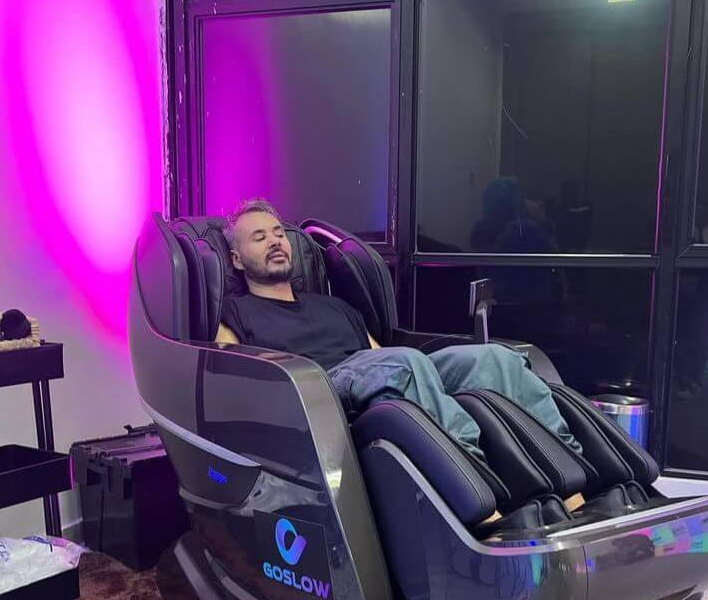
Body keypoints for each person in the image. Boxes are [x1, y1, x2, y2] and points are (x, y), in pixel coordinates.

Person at [216, 198, 582, 462]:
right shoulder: (237, 311)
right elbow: (228, 375)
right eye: (259, 237)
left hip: (377, 372)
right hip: (320, 388)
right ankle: (470, 467)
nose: (276, 241)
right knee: (405, 364)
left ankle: (567, 460)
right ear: (237, 259)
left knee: (495, 358)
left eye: (279, 233)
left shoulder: (333, 306)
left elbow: (379, 356)